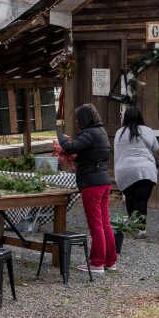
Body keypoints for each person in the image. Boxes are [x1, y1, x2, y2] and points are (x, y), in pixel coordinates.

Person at [56, 103, 115, 274]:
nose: (77, 122)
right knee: (105, 224)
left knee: (96, 225)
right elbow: (91, 155)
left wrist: (62, 139)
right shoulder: (102, 132)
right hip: (104, 181)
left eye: (78, 119)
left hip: (92, 184)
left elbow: (70, 148)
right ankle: (110, 261)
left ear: (84, 119)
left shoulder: (89, 133)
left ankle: (97, 262)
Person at [114, 106, 159, 238]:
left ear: (125, 118)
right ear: (140, 117)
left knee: (130, 197)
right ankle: (141, 229)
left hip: (125, 170)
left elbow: (117, 152)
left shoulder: (119, 133)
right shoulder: (147, 130)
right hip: (145, 170)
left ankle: (133, 226)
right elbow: (156, 147)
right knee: (141, 199)